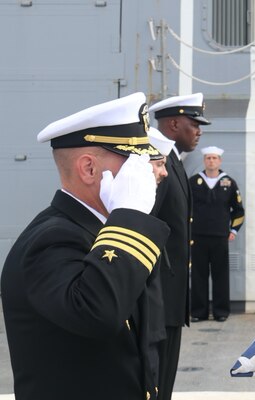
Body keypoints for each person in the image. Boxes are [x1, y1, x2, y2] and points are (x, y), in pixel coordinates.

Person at [0, 93, 171, 400]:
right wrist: (130, 214)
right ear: (89, 169)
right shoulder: (51, 239)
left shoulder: (100, 231)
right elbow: (99, 313)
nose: (153, 173)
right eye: (138, 162)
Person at [148, 93, 211, 400]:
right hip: (156, 297)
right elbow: (144, 226)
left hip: (169, 298)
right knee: (154, 382)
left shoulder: (172, 160)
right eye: (193, 124)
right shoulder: (156, 162)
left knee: (163, 383)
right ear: (173, 124)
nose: (199, 131)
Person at [189, 146, 245, 322]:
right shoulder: (194, 181)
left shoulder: (228, 182)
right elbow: (185, 208)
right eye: (208, 158)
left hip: (220, 237)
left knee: (221, 275)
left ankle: (221, 312)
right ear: (204, 161)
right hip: (197, 236)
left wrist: (233, 230)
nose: (211, 161)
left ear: (220, 161)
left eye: (214, 158)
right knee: (198, 275)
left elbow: (238, 210)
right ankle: (199, 312)